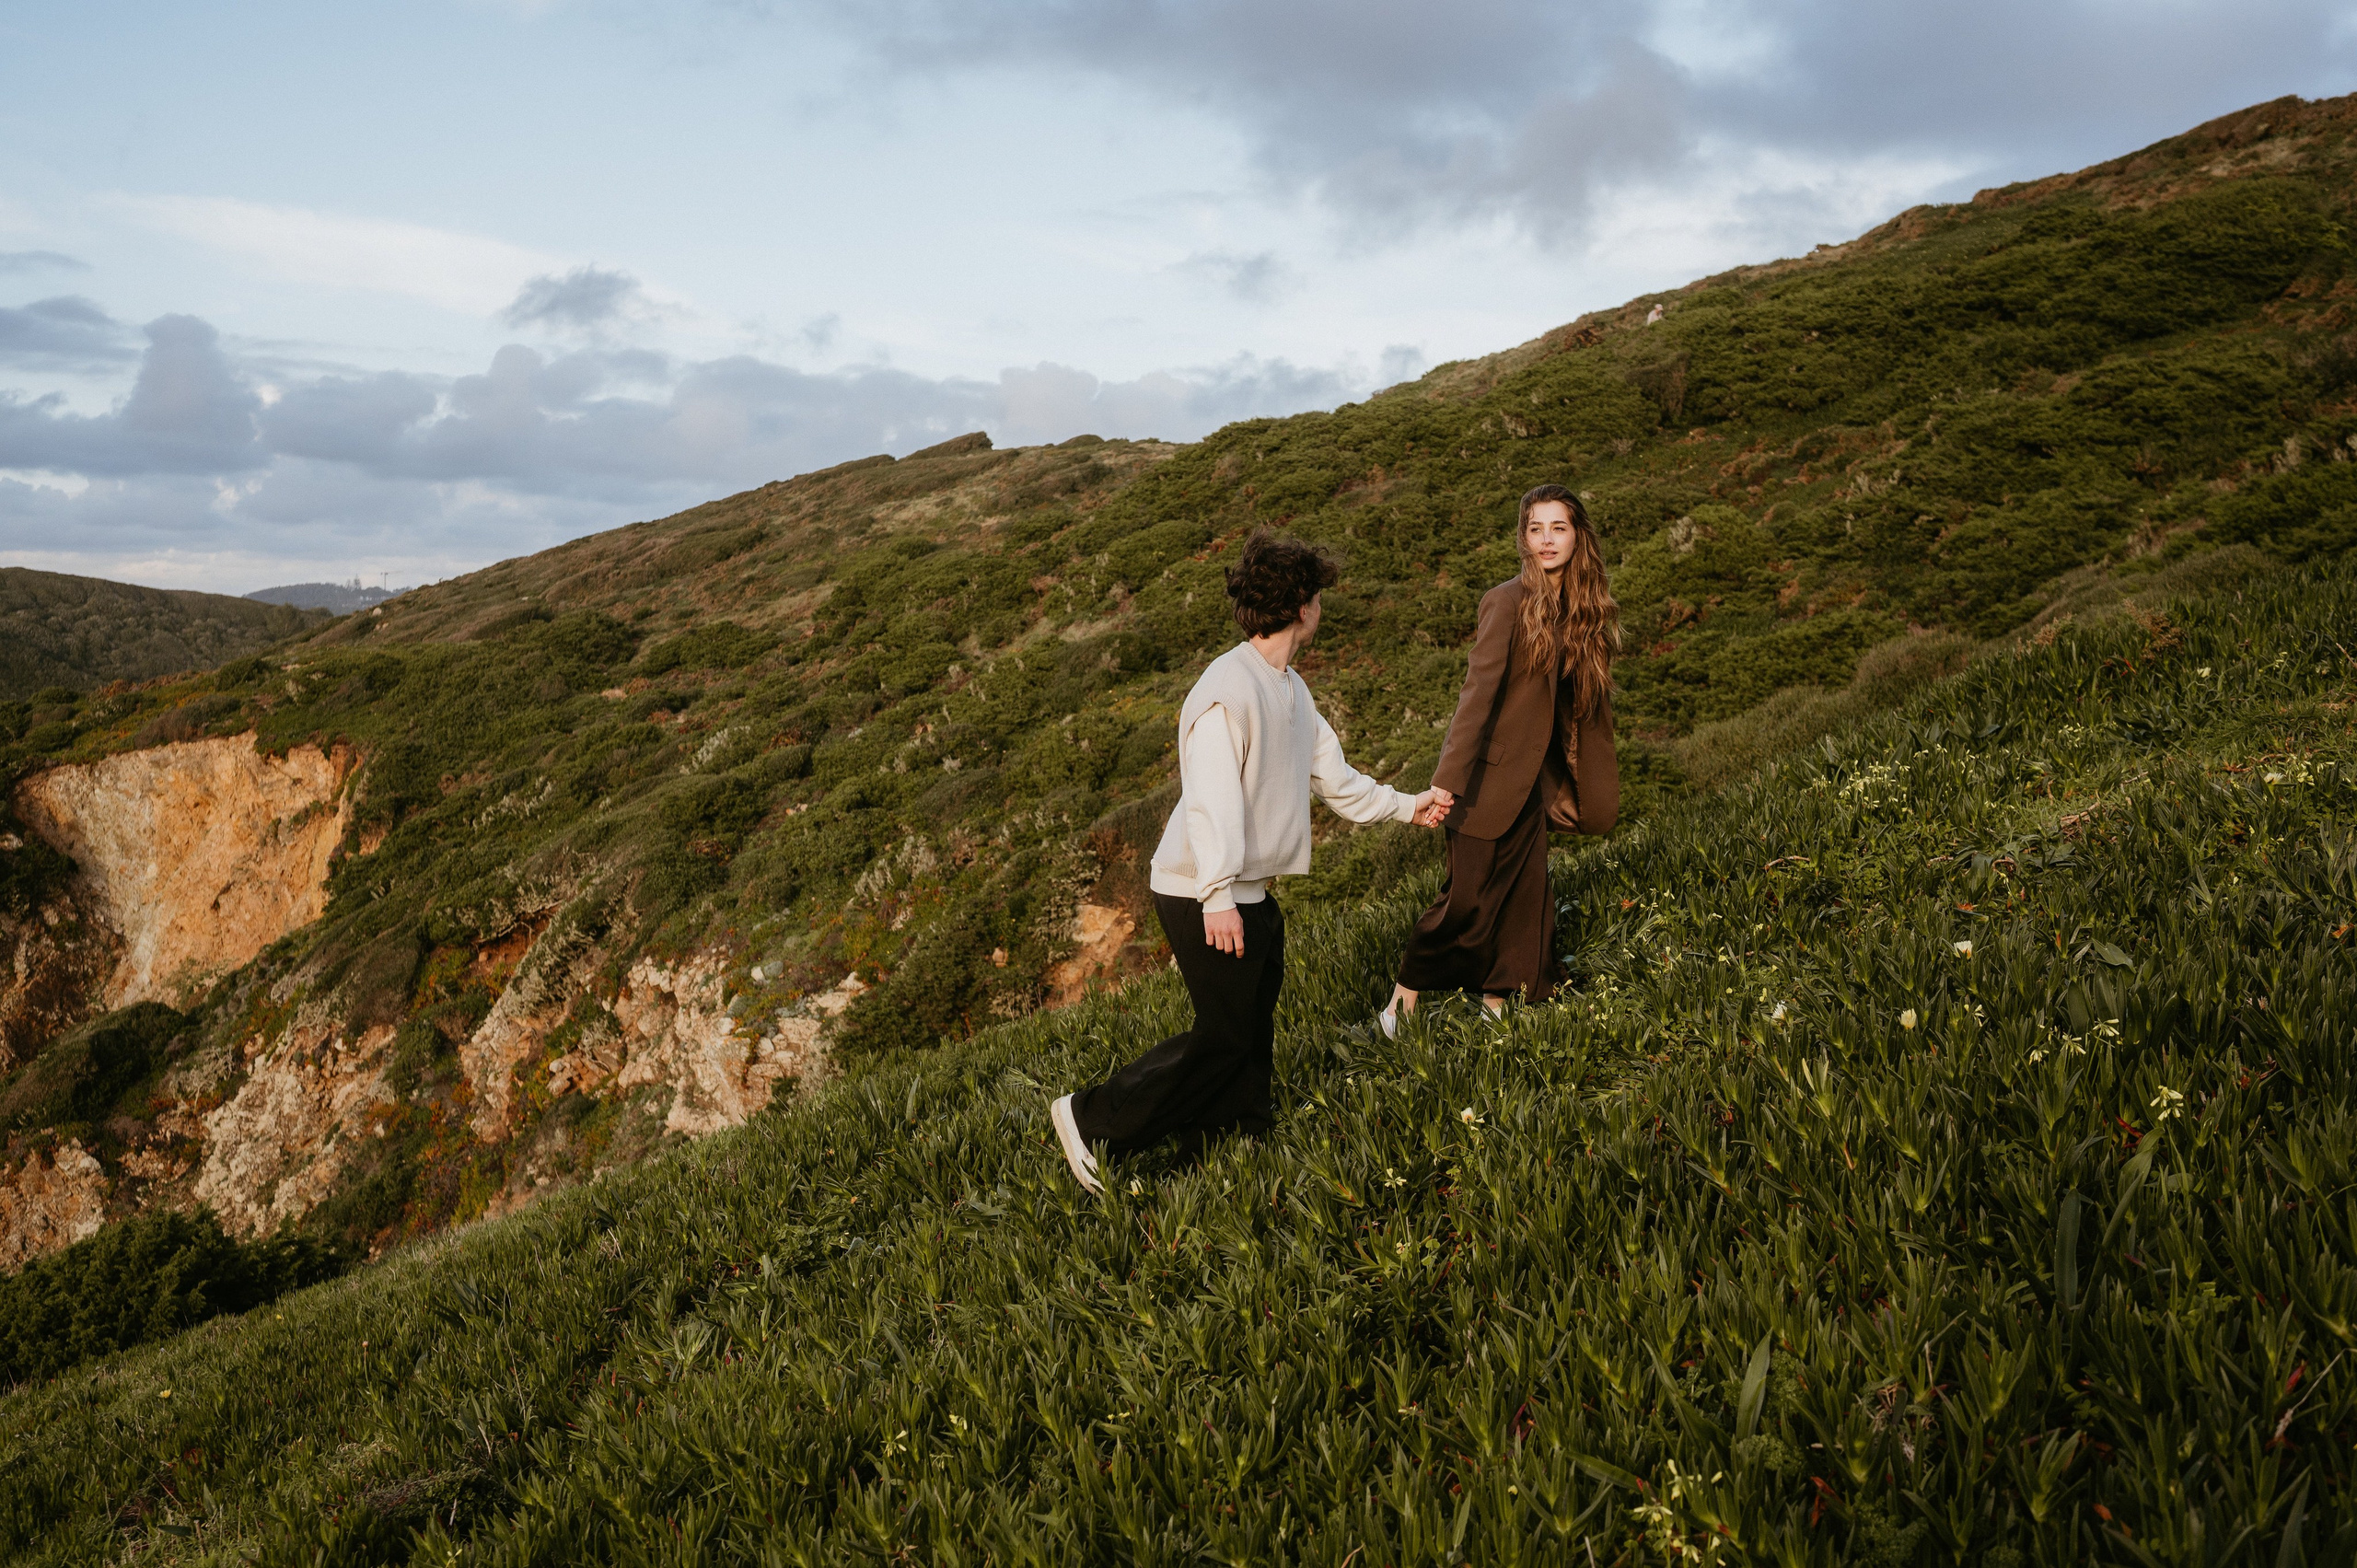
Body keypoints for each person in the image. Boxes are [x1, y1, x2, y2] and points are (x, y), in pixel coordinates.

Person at [1051, 531, 1448, 1194]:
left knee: (1252, 1018)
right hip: (1200, 887)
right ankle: (1092, 1118)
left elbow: (1337, 780)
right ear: (1302, 606)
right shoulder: (1226, 688)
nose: (1322, 605)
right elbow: (1210, 803)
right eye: (1318, 594)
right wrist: (1217, 898)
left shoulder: (1290, 686)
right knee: (1224, 1034)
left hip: (1247, 889)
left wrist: (1411, 806)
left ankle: (1236, 1133)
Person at [1381, 484, 1620, 1031]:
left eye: (1558, 528)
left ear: (1578, 535)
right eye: (1536, 529)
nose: (1546, 540)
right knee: (1464, 902)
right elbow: (1477, 696)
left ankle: (1499, 1011)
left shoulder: (1583, 611)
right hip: (1483, 784)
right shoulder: (1506, 601)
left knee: (1525, 900)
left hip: (1533, 786)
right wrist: (1446, 782)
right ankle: (1400, 1004)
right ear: (1523, 536)